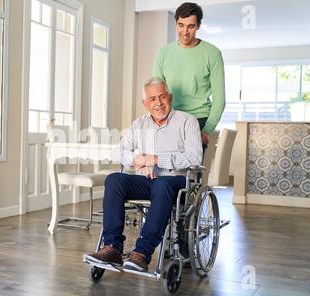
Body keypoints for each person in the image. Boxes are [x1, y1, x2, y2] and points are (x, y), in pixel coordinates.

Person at [83, 77, 202, 272]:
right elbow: (118, 152)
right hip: (147, 181)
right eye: (153, 99)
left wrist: (155, 159)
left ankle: (142, 253)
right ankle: (112, 247)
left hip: (176, 182)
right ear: (145, 103)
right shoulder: (139, 124)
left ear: (170, 98)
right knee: (114, 179)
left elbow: (195, 157)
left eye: (162, 97)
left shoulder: (187, 121)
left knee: (162, 183)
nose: (158, 103)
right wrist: (138, 158)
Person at [153, 2, 225, 150]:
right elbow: (156, 94)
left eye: (190, 26)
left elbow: (220, 98)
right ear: (176, 23)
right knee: (160, 167)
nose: (185, 32)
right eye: (181, 25)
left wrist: (206, 130)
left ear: (198, 26)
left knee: (189, 171)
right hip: (170, 119)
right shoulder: (163, 54)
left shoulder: (212, 54)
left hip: (198, 120)